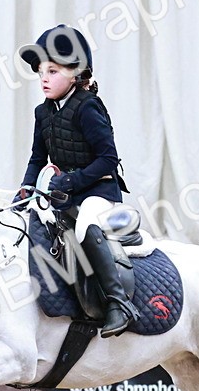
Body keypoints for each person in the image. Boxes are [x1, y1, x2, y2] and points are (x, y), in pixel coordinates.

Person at [14, 24, 137, 338]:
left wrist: (71, 181)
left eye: (52, 71)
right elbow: (36, 158)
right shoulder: (43, 113)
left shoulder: (88, 107)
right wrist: (26, 189)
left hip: (99, 193)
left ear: (76, 74)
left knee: (84, 226)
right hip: (66, 196)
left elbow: (109, 159)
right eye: (40, 70)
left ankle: (118, 304)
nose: (43, 77)